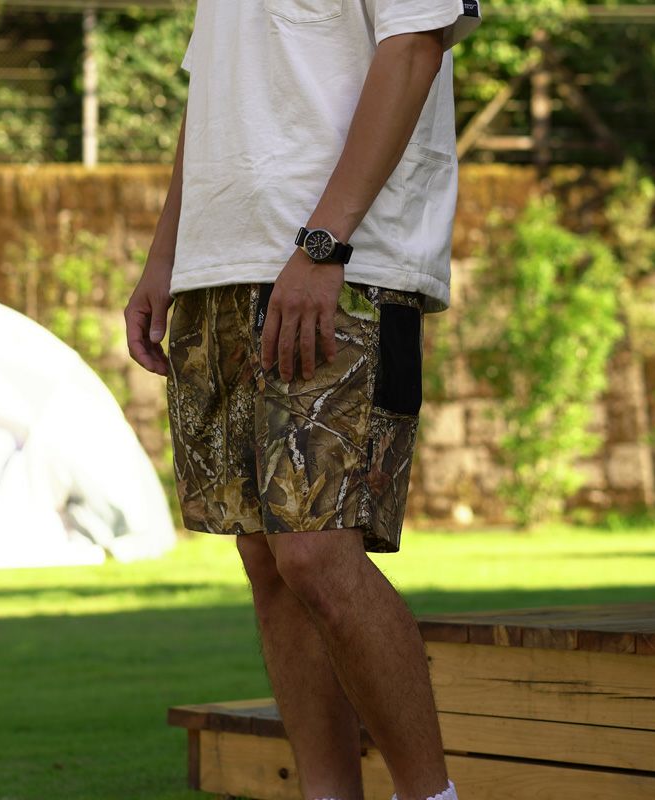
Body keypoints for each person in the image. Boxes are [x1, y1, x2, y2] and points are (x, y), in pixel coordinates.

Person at [125, 2, 482, 799]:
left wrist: (325, 244)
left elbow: (415, 48)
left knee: (316, 554)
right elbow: (211, 94)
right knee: (266, 559)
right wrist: (165, 259)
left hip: (343, 263)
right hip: (220, 266)